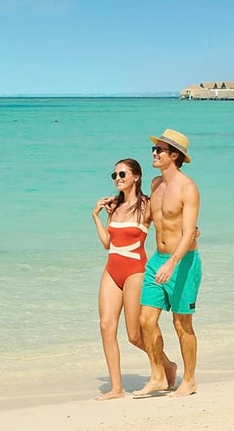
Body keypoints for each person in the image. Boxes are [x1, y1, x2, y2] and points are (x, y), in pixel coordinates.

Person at [92, 158, 177, 400]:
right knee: (106, 327)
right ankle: (116, 388)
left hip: (135, 270)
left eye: (122, 174)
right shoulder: (114, 206)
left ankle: (166, 365)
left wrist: (190, 231)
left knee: (134, 335)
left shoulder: (147, 206)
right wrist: (96, 217)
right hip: (112, 268)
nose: (117, 179)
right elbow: (109, 243)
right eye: (114, 175)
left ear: (136, 177)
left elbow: (168, 222)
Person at [134, 129, 202, 398]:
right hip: (157, 260)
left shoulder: (188, 188)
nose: (154, 153)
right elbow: (150, 219)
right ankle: (159, 375)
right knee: (145, 320)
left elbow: (187, 233)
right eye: (154, 149)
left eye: (159, 150)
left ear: (174, 156)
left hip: (183, 263)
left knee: (181, 323)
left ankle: (189, 380)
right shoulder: (154, 184)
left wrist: (172, 264)